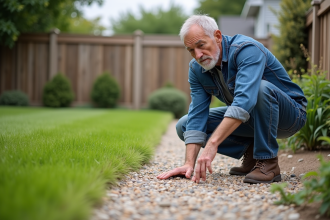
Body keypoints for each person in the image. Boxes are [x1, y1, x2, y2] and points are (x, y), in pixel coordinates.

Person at [157, 15, 307, 184]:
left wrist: (213, 143)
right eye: (191, 50)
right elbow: (197, 114)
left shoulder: (246, 49)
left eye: (201, 45)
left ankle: (268, 162)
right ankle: (251, 151)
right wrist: (188, 163)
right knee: (184, 125)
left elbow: (244, 101)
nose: (198, 55)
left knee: (260, 88)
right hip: (252, 118)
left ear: (217, 36)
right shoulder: (196, 70)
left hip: (290, 116)